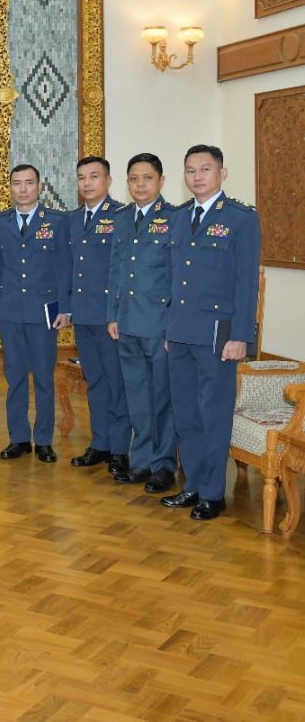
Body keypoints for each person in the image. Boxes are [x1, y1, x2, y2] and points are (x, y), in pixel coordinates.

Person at [161, 145, 261, 521]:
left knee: (213, 413)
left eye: (205, 169)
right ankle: (193, 485)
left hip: (219, 335)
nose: (197, 176)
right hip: (180, 331)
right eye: (191, 170)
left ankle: (213, 494)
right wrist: (169, 327)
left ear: (222, 173)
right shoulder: (178, 217)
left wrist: (241, 336)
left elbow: (246, 283)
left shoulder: (240, 218)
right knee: (185, 412)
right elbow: (172, 279)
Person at [106, 153, 178, 492]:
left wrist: (173, 325)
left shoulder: (174, 218)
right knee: (137, 396)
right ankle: (143, 460)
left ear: (161, 181)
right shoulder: (121, 219)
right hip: (127, 321)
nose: (140, 185)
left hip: (159, 323)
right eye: (134, 178)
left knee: (161, 397)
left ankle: (164, 465)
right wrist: (112, 314)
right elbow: (115, 270)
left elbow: (178, 277)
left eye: (147, 178)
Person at [0, 164, 71, 462]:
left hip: (44, 312)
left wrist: (65, 308)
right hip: (10, 310)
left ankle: (44, 440)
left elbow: (65, 266)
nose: (23, 189)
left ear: (40, 186)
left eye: (29, 183)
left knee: (43, 378)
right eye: (17, 183)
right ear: (9, 187)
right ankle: (19, 439)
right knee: (15, 378)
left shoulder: (57, 222)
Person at [68, 156, 133, 476]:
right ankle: (101, 443)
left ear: (108, 180)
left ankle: (120, 450)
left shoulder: (121, 216)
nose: (87, 183)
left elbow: (124, 270)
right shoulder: (72, 219)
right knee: (94, 381)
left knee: (116, 383)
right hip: (82, 314)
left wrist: (117, 313)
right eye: (82, 177)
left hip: (110, 317)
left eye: (94, 176)